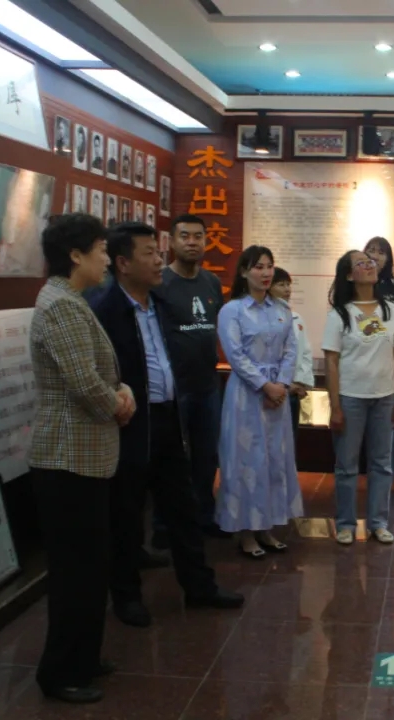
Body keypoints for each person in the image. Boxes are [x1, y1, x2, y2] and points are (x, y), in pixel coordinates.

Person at [91, 222, 244, 628]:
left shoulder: (158, 303)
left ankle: (200, 587)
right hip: (130, 422)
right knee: (127, 515)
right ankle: (127, 597)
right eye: (149, 253)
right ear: (123, 263)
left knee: (183, 507)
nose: (159, 260)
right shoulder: (105, 310)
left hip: (169, 416)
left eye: (159, 253)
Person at [28, 213, 135, 704]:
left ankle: (84, 658)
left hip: (85, 455)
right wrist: (119, 403)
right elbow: (84, 382)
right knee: (75, 572)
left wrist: (121, 390)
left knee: (91, 567)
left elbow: (99, 373)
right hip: (67, 457)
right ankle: (60, 673)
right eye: (100, 250)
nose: (106, 260)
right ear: (75, 255)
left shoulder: (71, 300)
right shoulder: (60, 306)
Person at [217, 245, 302, 558]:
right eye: (258, 267)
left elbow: (291, 349)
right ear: (243, 271)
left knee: (274, 460)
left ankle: (267, 527)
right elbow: (235, 355)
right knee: (247, 461)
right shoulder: (233, 310)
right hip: (246, 394)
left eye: (269, 266)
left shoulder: (281, 309)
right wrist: (265, 385)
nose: (266, 273)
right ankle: (245, 532)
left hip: (277, 394)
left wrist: (281, 384)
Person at [323, 250, 394, 545]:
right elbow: (331, 362)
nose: (369, 265)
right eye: (361, 263)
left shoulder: (392, 312)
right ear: (349, 275)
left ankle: (378, 522)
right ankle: (346, 524)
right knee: (346, 465)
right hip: (351, 398)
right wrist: (335, 406)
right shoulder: (339, 314)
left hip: (384, 398)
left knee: (382, 463)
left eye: (370, 262)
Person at [149, 214, 225, 546]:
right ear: (172, 241)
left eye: (198, 236)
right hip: (173, 388)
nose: (192, 242)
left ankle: (204, 517)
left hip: (207, 384)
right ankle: (164, 526)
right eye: (185, 236)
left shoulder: (211, 282)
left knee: (207, 457)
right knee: (170, 460)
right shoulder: (160, 282)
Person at [269, 266, 315, 430]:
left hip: (294, 391)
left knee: (290, 438)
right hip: (272, 391)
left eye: (288, 285)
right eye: (281, 285)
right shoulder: (263, 319)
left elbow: (305, 353)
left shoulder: (297, 318)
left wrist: (301, 383)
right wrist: (284, 385)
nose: (287, 289)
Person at [364, 236, 394, 309]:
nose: (375, 257)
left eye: (381, 253)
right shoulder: (356, 281)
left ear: (387, 260)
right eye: (371, 251)